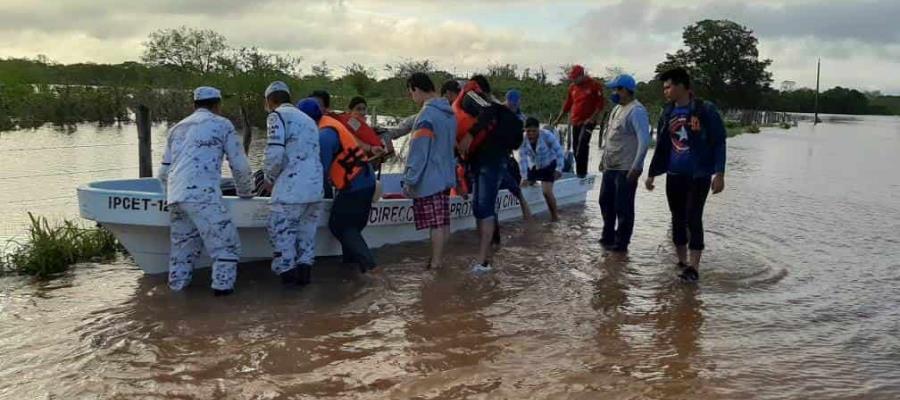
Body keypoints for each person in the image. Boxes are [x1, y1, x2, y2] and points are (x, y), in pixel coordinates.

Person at [158, 86, 254, 296]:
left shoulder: (177, 128)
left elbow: (163, 173)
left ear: (194, 105)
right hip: (203, 196)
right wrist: (246, 193)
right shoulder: (222, 124)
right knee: (227, 249)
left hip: (175, 198)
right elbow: (240, 166)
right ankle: (220, 304)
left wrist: (169, 197)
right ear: (217, 105)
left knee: (181, 255)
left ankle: (176, 301)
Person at [645, 67, 727, 282]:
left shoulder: (704, 110)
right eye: (664, 87)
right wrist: (652, 173)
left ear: (682, 86)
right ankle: (681, 262)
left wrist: (719, 173)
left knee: (693, 217)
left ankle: (694, 266)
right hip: (674, 174)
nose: (666, 91)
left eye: (669, 86)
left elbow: (719, 142)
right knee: (677, 218)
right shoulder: (667, 111)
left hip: (698, 175)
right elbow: (662, 145)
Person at [298, 97, 379, 273]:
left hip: (355, 185)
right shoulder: (329, 126)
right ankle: (350, 267)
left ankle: (371, 268)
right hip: (365, 181)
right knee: (352, 226)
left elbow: (320, 174)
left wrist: (317, 199)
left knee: (340, 225)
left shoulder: (324, 136)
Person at [455, 75, 523, 272]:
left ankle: (483, 261)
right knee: (480, 207)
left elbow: (487, 110)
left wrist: (470, 134)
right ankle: (487, 254)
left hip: (490, 162)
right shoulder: (488, 106)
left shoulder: (471, 97)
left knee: (483, 208)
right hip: (487, 161)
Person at [261, 81, 324, 286]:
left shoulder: (276, 116)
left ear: (270, 101)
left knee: (282, 239)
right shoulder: (309, 120)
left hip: (291, 190)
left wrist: (269, 179)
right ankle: (304, 290)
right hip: (315, 189)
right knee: (306, 241)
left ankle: (287, 297)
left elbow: (275, 154)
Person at [402, 73, 457, 269]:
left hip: (430, 177)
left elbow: (419, 151)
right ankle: (439, 260)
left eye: (411, 93)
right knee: (442, 222)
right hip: (446, 175)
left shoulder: (426, 115)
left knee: (435, 224)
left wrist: (409, 179)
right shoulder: (449, 113)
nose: (411, 97)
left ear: (416, 89)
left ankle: (435, 263)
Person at [598, 74, 652, 253]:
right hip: (611, 166)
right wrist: (602, 160)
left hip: (626, 168)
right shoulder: (616, 109)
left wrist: (637, 166)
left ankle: (621, 244)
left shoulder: (636, 111)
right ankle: (607, 237)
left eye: (617, 89)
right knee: (605, 202)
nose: (614, 93)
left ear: (627, 90)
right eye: (613, 89)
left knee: (623, 207)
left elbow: (644, 141)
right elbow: (610, 137)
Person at [551, 65, 605, 178]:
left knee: (583, 144)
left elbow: (600, 104)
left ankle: (582, 173)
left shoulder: (594, 85)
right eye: (572, 78)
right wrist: (558, 119)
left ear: (582, 75)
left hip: (588, 122)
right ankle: (578, 173)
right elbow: (567, 104)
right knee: (575, 148)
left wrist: (592, 118)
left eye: (575, 77)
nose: (573, 80)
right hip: (576, 121)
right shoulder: (572, 87)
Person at [518, 117, 565, 221]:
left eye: (534, 131)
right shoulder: (523, 139)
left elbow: (559, 152)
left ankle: (555, 217)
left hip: (549, 164)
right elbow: (522, 159)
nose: (531, 134)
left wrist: (559, 169)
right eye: (528, 131)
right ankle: (527, 217)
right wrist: (524, 177)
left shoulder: (547, 135)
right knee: (521, 187)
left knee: (546, 192)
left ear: (538, 129)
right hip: (535, 165)